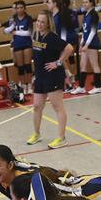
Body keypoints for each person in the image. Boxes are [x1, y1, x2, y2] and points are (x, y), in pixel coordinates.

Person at [27, 11, 74, 149]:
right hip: (40, 76)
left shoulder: (52, 37)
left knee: (57, 107)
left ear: (48, 24)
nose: (39, 24)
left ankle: (61, 138)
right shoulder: (36, 35)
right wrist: (35, 75)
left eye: (43, 22)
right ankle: (36, 134)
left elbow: (69, 48)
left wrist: (58, 63)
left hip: (53, 76)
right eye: (38, 21)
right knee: (36, 106)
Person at [75, 0, 101, 95]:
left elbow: (93, 31)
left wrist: (87, 44)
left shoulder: (94, 14)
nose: (84, 4)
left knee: (94, 65)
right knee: (83, 65)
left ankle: (98, 86)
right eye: (83, 2)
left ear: (92, 3)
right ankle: (81, 87)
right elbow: (84, 31)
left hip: (92, 43)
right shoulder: (86, 14)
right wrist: (81, 43)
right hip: (86, 44)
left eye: (86, 2)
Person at [49, 0, 78, 91]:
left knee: (62, 61)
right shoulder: (52, 16)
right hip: (57, 42)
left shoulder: (59, 16)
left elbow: (63, 31)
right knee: (61, 63)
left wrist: (62, 44)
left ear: (55, 4)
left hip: (63, 42)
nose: (47, 5)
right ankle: (69, 83)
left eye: (49, 3)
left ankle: (69, 79)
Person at [5, 0, 34, 95]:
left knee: (28, 65)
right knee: (20, 67)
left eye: (21, 7)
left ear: (24, 8)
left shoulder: (28, 18)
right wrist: (11, 27)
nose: (20, 9)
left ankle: (30, 85)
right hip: (17, 44)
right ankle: (23, 86)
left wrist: (15, 32)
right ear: (15, 9)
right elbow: (6, 30)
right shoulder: (13, 18)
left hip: (27, 44)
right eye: (18, 8)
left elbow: (29, 33)